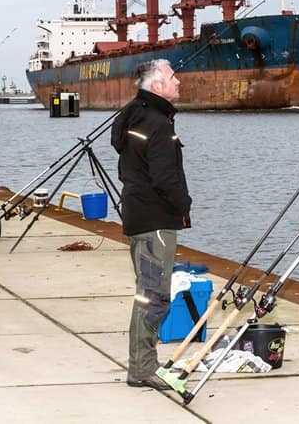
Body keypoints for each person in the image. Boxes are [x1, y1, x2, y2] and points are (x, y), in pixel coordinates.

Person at [111, 59, 192, 389]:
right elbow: (164, 177)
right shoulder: (156, 122)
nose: (179, 82)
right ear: (157, 86)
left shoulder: (136, 115)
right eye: (174, 77)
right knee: (154, 296)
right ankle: (143, 367)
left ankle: (142, 364)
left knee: (148, 294)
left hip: (140, 214)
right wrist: (183, 204)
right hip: (154, 220)